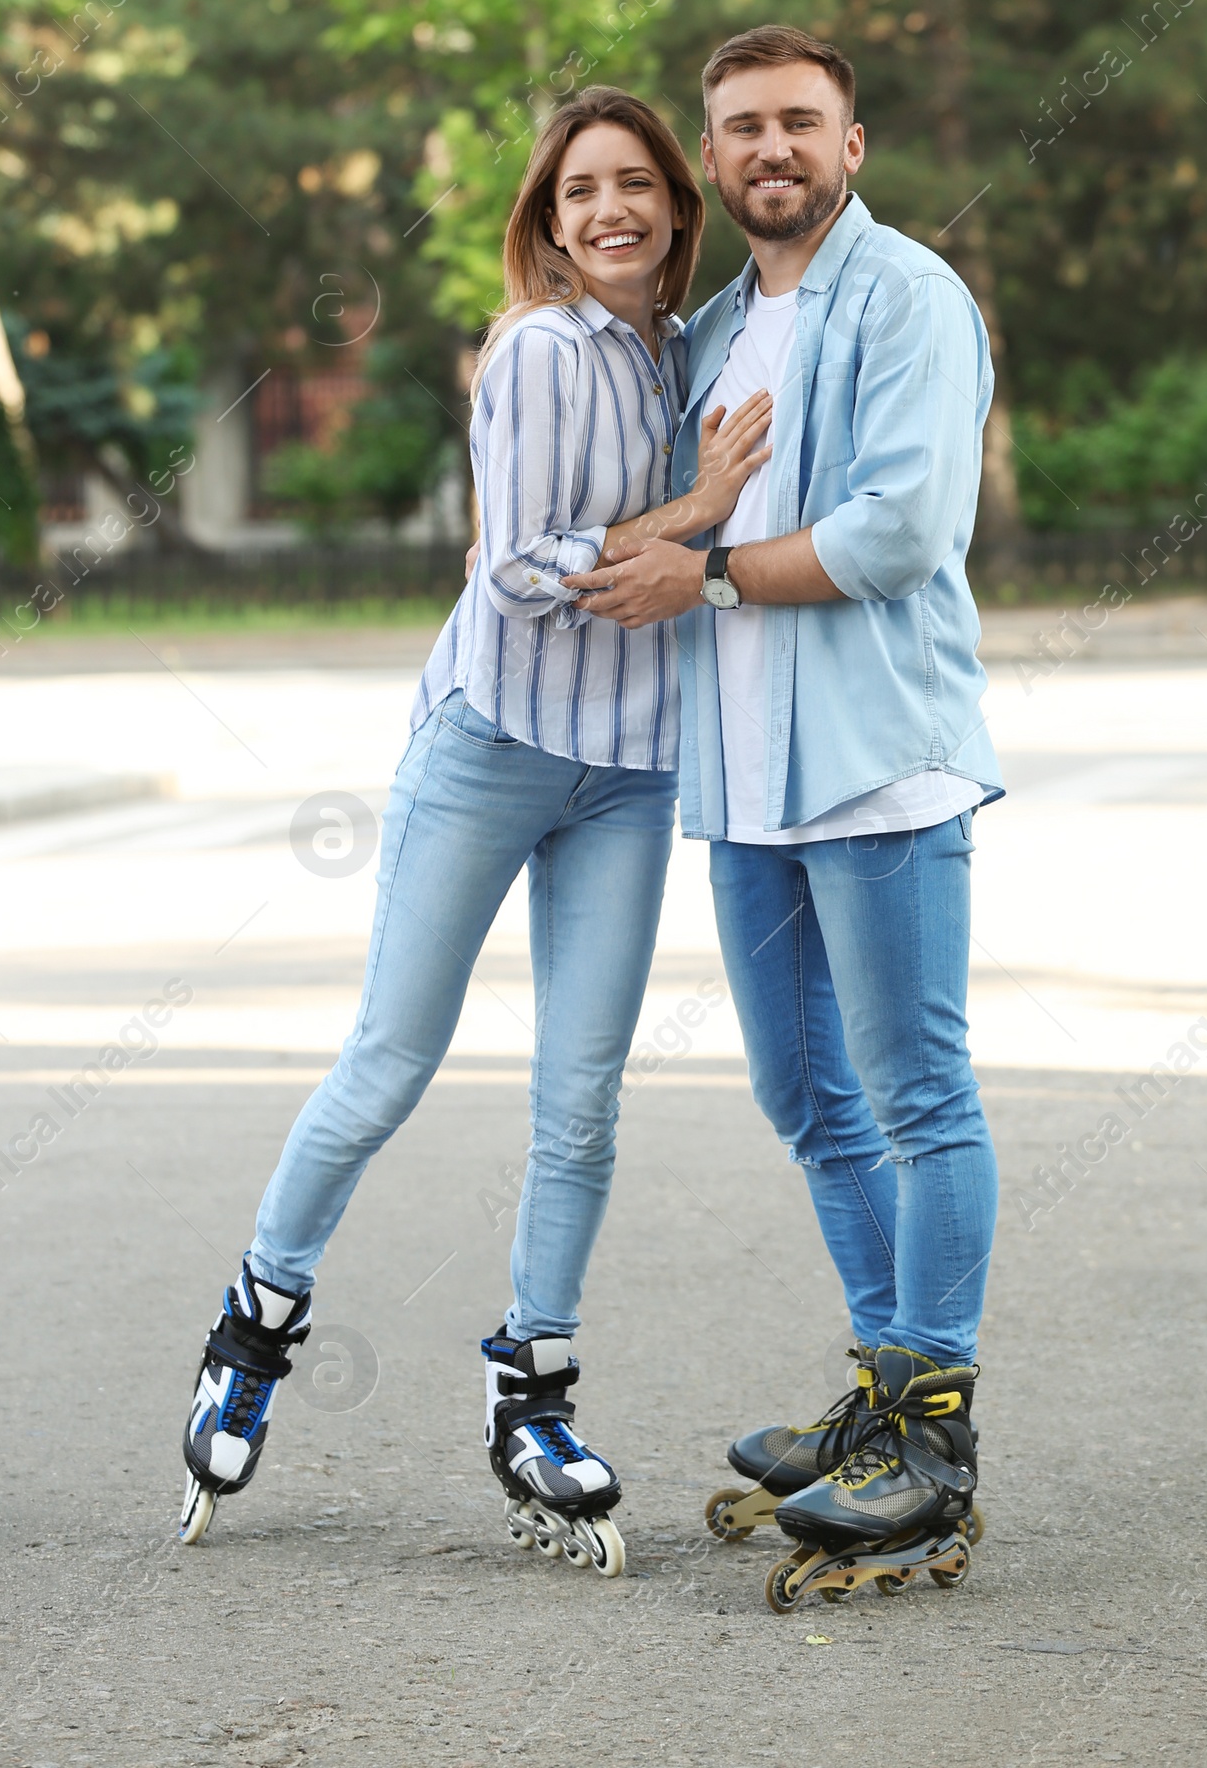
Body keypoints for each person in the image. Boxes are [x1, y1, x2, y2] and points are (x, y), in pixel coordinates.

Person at [178, 85, 773, 1577]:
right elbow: (511, 571)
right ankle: (255, 1327)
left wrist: (683, 520)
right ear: (548, 219)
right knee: (390, 1058)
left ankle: (531, 1390)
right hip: (493, 748)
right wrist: (698, 510)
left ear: (674, 208)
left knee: (583, 1099)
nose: (611, 211)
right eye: (582, 193)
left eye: (636, 184)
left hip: (628, 772)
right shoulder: (537, 347)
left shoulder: (670, 351)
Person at [563, 25, 1003, 1598]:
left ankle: (933, 1435)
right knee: (810, 1100)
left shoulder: (911, 301)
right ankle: (883, 1397)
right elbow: (660, 524)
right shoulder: (711, 331)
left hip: (878, 762)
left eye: (797, 124)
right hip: (744, 778)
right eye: (741, 128)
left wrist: (711, 568)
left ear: (852, 144)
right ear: (715, 159)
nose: (770, 151)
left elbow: (898, 529)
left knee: (916, 1094)